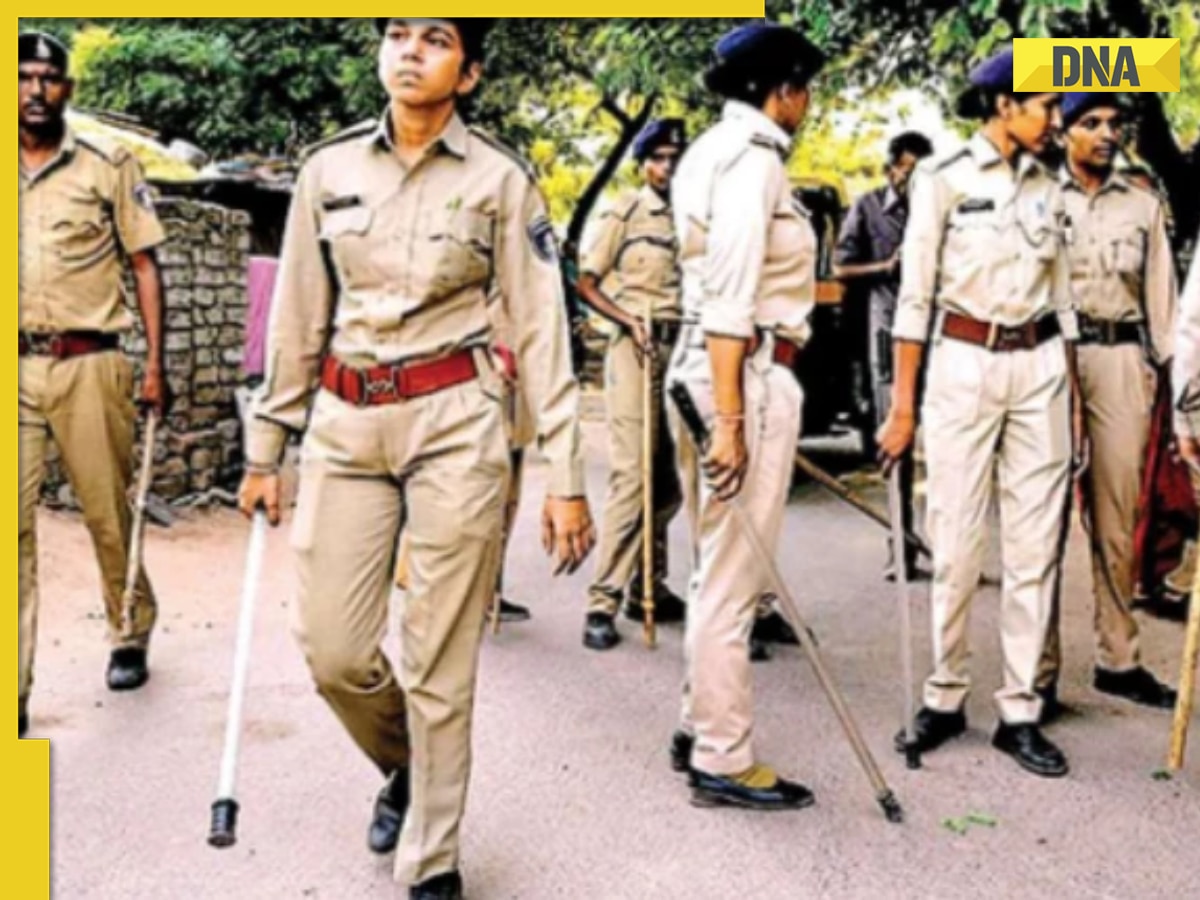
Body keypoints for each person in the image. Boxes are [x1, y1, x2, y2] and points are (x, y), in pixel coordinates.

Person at [237, 19, 594, 900]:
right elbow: (296, 320)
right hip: (347, 428)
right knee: (333, 649)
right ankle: (405, 764)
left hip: (455, 427)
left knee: (439, 656)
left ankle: (432, 858)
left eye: (434, 39)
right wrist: (265, 447)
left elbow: (544, 330)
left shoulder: (501, 181)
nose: (408, 52)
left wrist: (566, 478)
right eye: (396, 33)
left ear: (466, 74)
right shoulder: (328, 172)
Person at [877, 46, 1078, 778]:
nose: (1057, 120)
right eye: (1045, 105)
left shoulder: (1050, 185)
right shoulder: (943, 180)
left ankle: (1019, 708)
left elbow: (1065, 301)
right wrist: (902, 407)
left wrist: (1075, 399)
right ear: (1003, 105)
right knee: (956, 541)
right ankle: (944, 695)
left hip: (1042, 368)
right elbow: (914, 300)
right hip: (962, 363)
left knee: (1034, 547)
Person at [665, 22, 825, 810]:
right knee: (734, 575)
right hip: (741, 372)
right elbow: (731, 296)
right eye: (806, 89)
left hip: (721, 366)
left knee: (715, 564)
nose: (808, 104)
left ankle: (700, 721)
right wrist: (731, 419)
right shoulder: (754, 161)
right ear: (784, 87)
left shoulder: (708, 151)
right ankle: (723, 757)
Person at [18, 31, 169, 737]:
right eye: (23, 77)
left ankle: (130, 627)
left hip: (90, 362)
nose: (36, 90)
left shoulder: (108, 164)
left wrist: (157, 366)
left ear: (66, 90)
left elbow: (145, 264)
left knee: (106, 512)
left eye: (49, 78)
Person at [1036, 93, 1179, 715]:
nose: (1105, 134)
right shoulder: (1037, 198)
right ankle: (1034, 673)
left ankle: (1118, 658)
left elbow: (1165, 310)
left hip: (1121, 361)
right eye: (1090, 123)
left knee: (1117, 518)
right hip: (1048, 361)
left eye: (1114, 124)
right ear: (1063, 131)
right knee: (1040, 519)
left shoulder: (1144, 205)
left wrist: (1181, 396)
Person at [576, 118, 687, 651]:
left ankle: (651, 585)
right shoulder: (625, 211)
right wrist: (626, 318)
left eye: (675, 157)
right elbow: (587, 283)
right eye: (659, 157)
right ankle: (603, 599)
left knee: (668, 478)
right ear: (644, 162)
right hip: (634, 349)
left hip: (681, 345)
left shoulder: (692, 213)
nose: (668, 167)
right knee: (634, 475)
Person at [834, 130, 935, 582]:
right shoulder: (867, 208)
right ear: (893, 168)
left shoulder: (940, 206)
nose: (915, 182)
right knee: (897, 446)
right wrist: (885, 268)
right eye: (909, 171)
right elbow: (840, 267)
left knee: (951, 448)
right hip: (889, 336)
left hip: (941, 336)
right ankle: (901, 546)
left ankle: (946, 546)